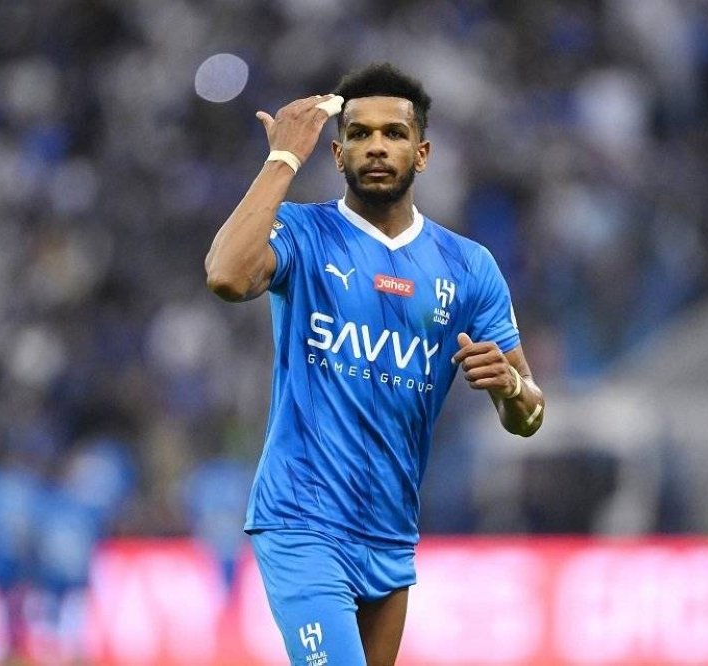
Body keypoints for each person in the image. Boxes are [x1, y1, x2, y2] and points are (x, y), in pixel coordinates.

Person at [205, 62, 544, 666]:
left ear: (422, 153)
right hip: (303, 520)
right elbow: (227, 276)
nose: (377, 146)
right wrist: (282, 159)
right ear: (337, 154)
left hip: (390, 533)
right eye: (360, 134)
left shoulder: (469, 267)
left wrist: (511, 385)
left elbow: (529, 416)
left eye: (394, 133)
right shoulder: (304, 233)